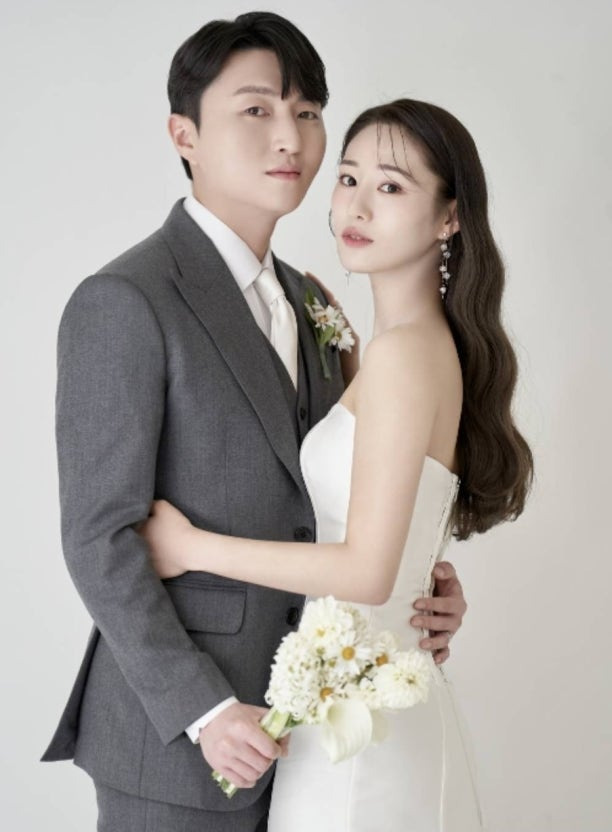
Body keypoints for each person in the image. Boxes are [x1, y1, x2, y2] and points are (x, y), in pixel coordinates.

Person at [41, 13, 469, 832]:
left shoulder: (314, 302)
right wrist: (203, 711)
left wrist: (419, 584)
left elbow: (342, 495)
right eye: (257, 110)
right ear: (184, 135)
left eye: (307, 112)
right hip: (183, 750)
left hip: (318, 737)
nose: (290, 137)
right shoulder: (125, 300)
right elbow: (99, 537)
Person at [141, 97, 534, 830]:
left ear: (449, 217)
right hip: (357, 703)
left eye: (391, 186)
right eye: (348, 178)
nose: (357, 204)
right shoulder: (381, 346)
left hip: (362, 736)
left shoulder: (405, 356)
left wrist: (191, 548)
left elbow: (366, 572)